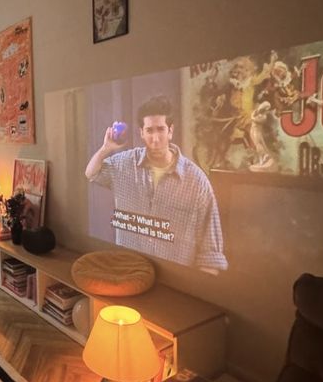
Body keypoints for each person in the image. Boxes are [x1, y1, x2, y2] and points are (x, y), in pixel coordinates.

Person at [85, 94, 228, 271]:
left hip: (175, 281)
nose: (155, 138)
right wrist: (106, 148)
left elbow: (211, 255)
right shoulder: (124, 164)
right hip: (129, 271)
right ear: (141, 133)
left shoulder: (197, 181)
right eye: (149, 130)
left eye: (160, 129)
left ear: (171, 131)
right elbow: (91, 173)